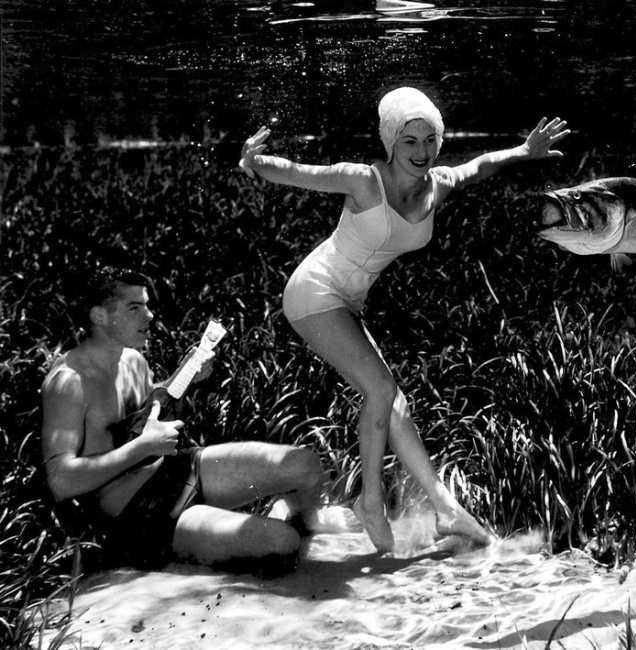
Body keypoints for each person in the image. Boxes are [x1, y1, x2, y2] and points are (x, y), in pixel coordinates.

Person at [239, 86, 570, 553]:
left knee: (394, 406)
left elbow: (480, 167)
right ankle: (369, 501)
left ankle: (445, 508)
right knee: (381, 390)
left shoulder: (439, 183)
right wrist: (254, 161)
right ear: (390, 142)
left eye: (429, 139)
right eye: (409, 141)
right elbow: (298, 173)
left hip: (347, 300)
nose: (421, 151)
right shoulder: (363, 180)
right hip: (314, 289)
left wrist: (523, 150)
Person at [41, 266, 358, 570]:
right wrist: (141, 449)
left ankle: (296, 518)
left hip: (177, 471)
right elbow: (60, 481)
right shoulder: (69, 382)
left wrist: (184, 376)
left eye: (147, 306)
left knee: (304, 464)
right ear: (100, 316)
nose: (149, 316)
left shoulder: (132, 360)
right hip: (141, 516)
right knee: (281, 542)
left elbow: (143, 407)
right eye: (134, 308)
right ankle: (218, 537)